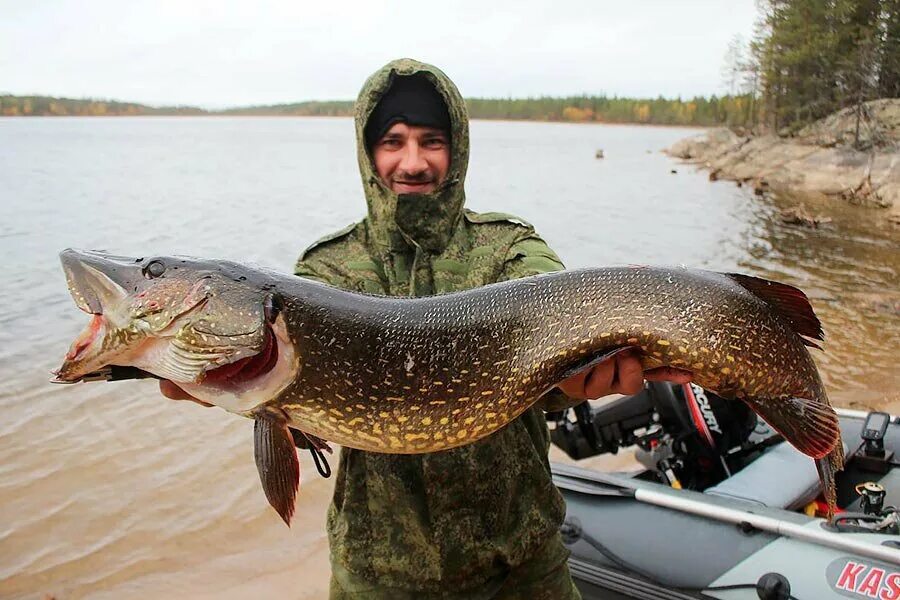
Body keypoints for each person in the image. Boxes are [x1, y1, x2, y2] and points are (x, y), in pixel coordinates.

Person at [162, 58, 690, 599]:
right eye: (392, 140)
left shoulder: (509, 247)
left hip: (524, 569)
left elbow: (554, 326)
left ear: (456, 148)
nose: (412, 162)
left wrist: (570, 381)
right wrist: (237, 385)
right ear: (368, 153)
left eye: (430, 140)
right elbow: (306, 424)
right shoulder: (325, 271)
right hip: (378, 578)